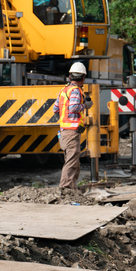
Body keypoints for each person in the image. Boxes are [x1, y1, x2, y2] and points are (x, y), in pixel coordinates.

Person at [53, 62, 92, 190]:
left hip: (64, 131)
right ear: (83, 78)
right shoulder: (75, 91)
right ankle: (66, 188)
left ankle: (72, 187)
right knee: (71, 161)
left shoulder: (64, 90)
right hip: (71, 132)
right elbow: (74, 107)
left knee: (73, 160)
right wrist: (85, 105)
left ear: (70, 77)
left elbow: (55, 108)